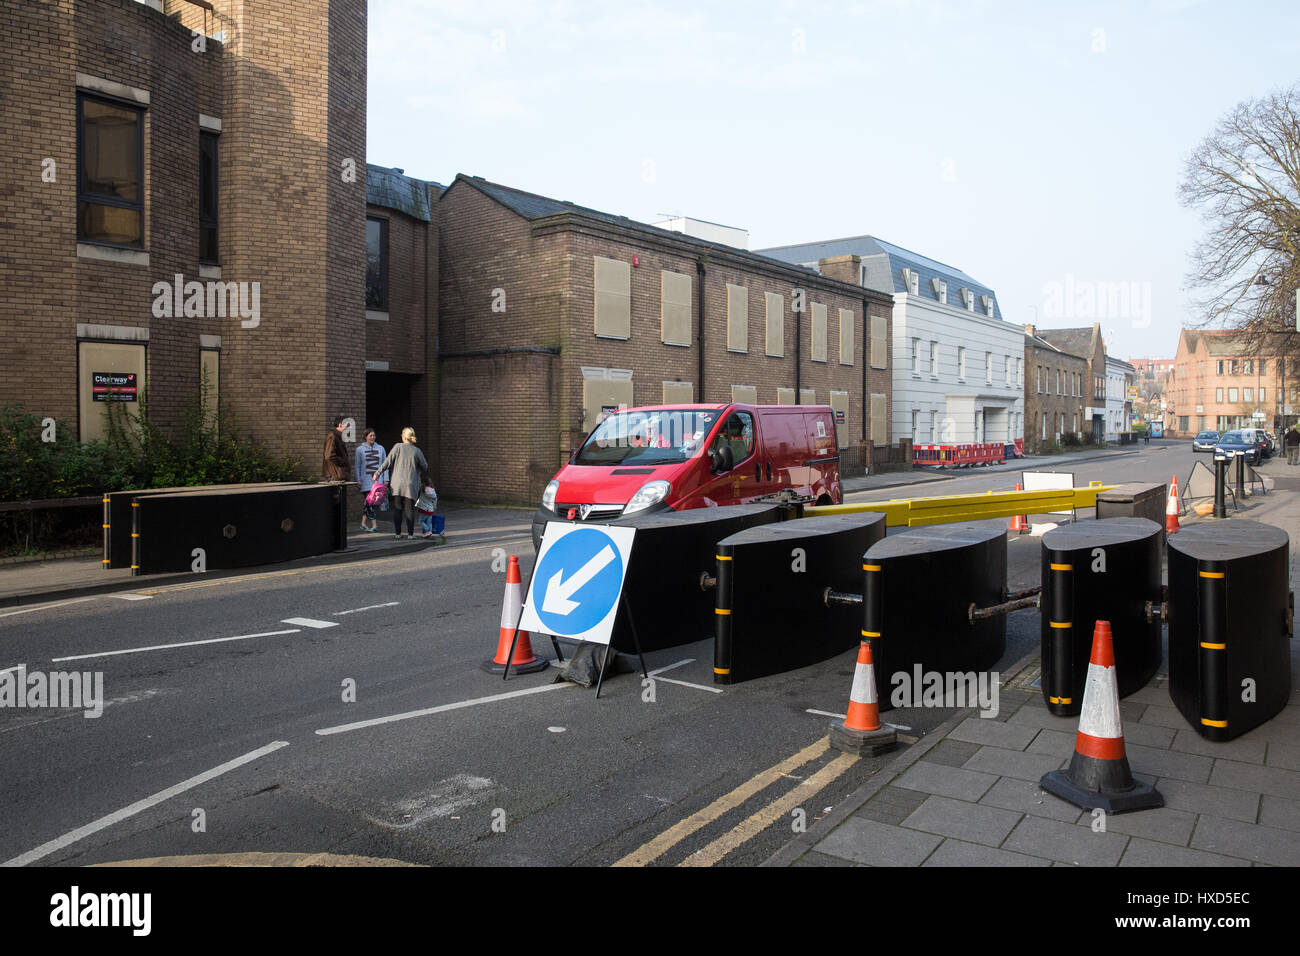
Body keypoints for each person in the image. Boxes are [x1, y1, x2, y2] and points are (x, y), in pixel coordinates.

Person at [374, 426, 428, 539]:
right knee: (409, 509)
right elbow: (425, 466)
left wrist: (378, 473)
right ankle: (410, 534)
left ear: (404, 437)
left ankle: (398, 534)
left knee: (397, 508)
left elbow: (387, 462)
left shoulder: (397, 447)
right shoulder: (417, 451)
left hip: (397, 483)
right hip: (411, 483)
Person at [354, 428, 387, 532]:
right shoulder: (359, 450)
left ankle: (363, 523)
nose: (372, 437)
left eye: (374, 435)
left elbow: (385, 464)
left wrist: (386, 479)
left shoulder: (381, 448)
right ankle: (374, 525)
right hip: (365, 481)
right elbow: (357, 466)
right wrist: (358, 480)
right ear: (365, 437)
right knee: (370, 503)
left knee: (369, 503)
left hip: (378, 482)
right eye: (370, 436)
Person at [323, 416, 349, 482]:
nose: (347, 428)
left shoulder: (338, 436)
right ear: (340, 425)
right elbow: (329, 456)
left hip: (338, 476)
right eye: (346, 425)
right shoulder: (333, 436)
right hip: (335, 476)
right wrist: (343, 461)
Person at [415, 474, 438, 539]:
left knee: (420, 521)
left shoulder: (422, 489)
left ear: (423, 483)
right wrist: (434, 507)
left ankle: (428, 531)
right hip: (431, 509)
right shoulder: (433, 490)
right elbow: (435, 500)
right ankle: (429, 532)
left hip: (424, 509)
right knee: (429, 522)